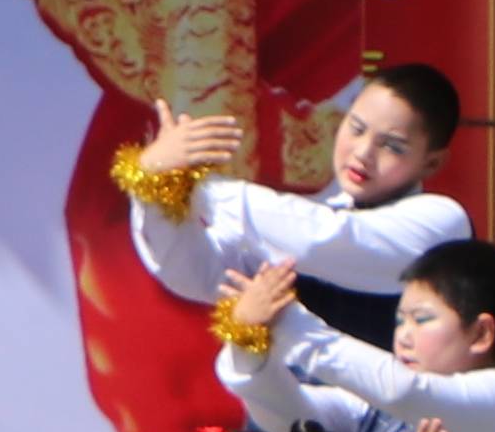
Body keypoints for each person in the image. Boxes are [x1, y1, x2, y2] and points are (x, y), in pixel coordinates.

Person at [121, 56, 476, 350]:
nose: (363, 153)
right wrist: (154, 191)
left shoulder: (443, 225)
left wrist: (191, 183)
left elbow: (326, 240)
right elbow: (192, 272)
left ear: (431, 163)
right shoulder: (298, 218)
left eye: (392, 146)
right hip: (289, 426)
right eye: (356, 129)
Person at [217, 238, 495, 432]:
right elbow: (290, 417)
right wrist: (247, 341)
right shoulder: (370, 410)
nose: (404, 337)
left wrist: (285, 318)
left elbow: (403, 390)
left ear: (481, 334)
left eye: (421, 320)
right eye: (400, 321)